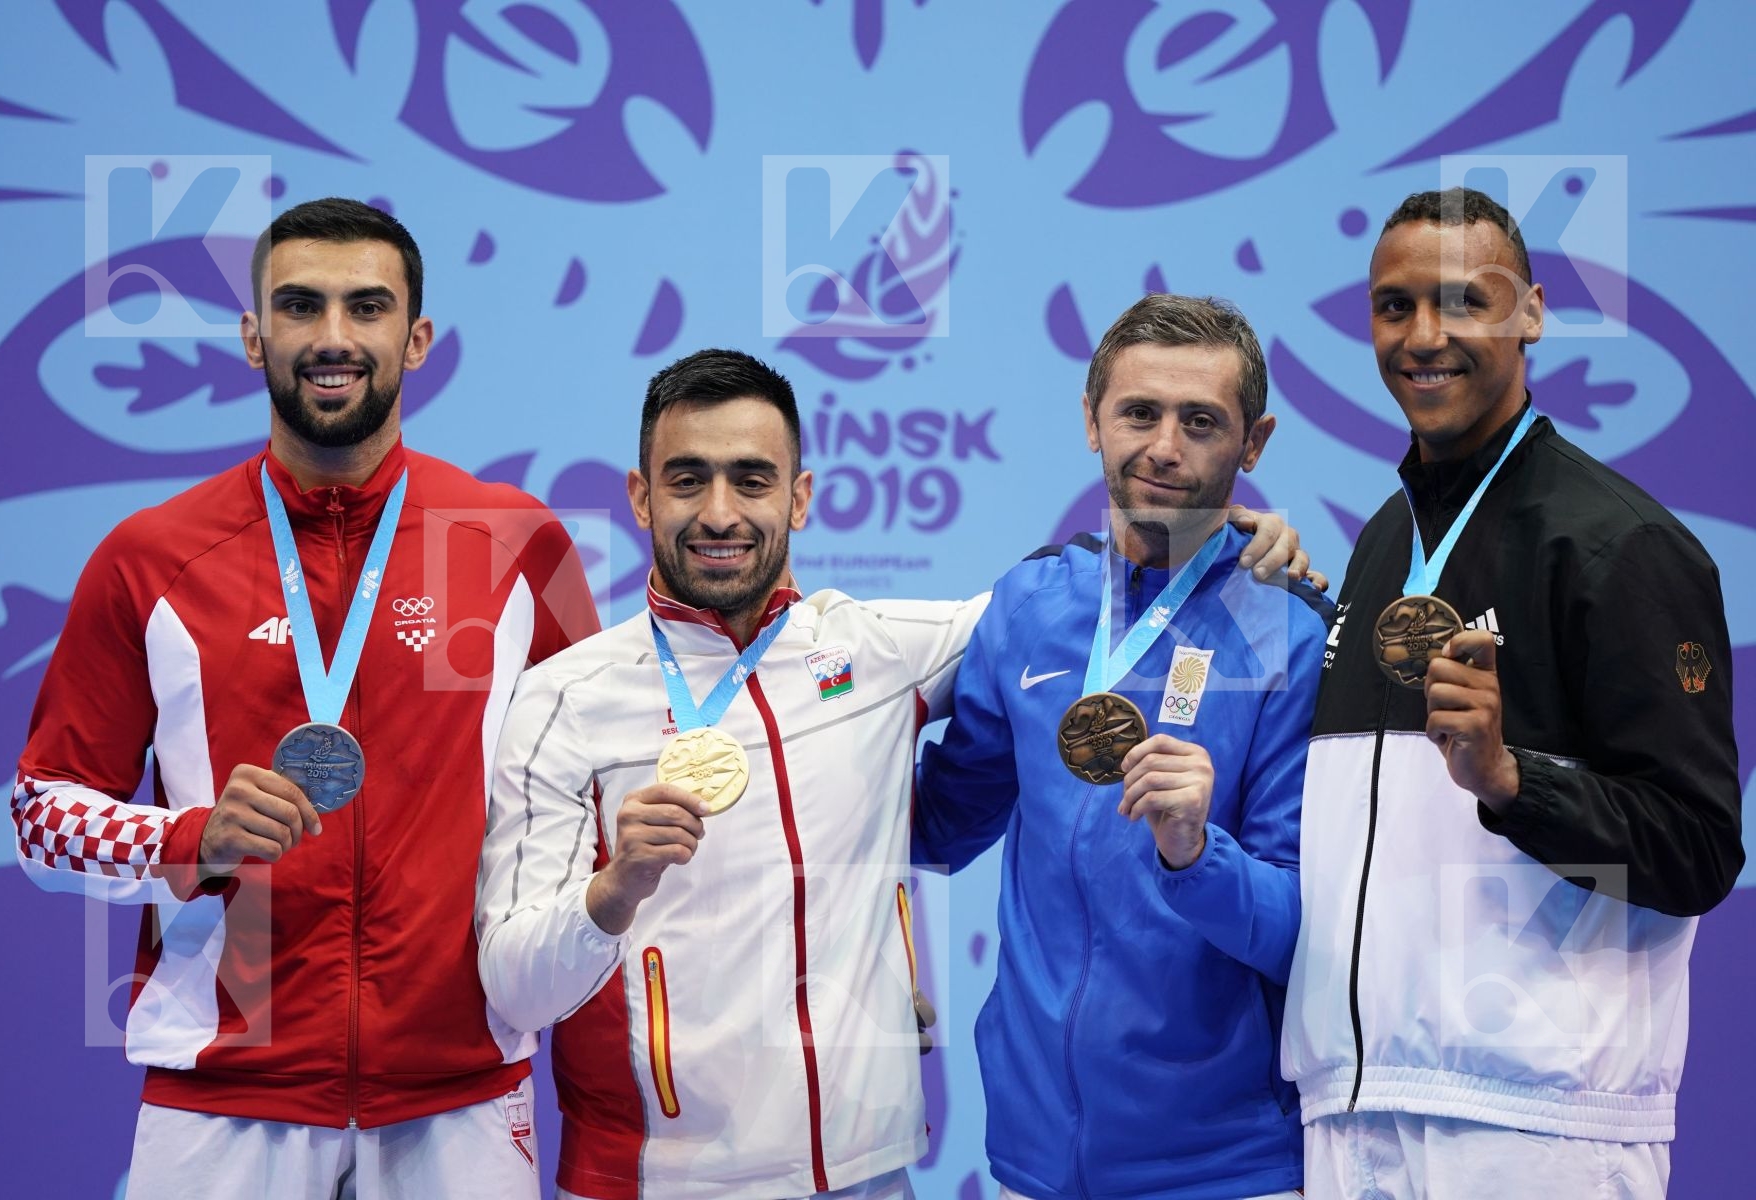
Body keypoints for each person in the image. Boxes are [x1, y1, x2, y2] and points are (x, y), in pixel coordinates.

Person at [475, 345, 1322, 1198]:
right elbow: (512, 987)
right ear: (639, 495)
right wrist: (612, 893)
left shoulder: (875, 652)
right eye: (688, 479)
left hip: (868, 1172)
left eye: (754, 479)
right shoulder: (563, 701)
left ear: (799, 499)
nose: (721, 513)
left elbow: (1083, 605)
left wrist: (1223, 533)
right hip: (653, 1179)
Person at [10, 197, 598, 1198]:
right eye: (300, 306)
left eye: (367, 307)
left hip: (461, 1087)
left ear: (416, 339)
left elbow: (596, 797)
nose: (333, 338)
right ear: (253, 338)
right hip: (224, 1085)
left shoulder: (516, 546)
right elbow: (40, 817)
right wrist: (188, 837)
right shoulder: (151, 558)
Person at [1281, 187, 1743, 1199]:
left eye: (1464, 300)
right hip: (1360, 1111)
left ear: (1531, 311)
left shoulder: (1618, 546)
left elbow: (1699, 854)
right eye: (1395, 306)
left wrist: (1510, 781)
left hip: (1538, 1124)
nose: (1425, 335)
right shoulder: (1383, 544)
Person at [913, 294, 1333, 1200]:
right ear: (1092, 419)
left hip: (1225, 1171)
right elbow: (938, 828)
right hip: (1034, 1160)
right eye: (1140, 412)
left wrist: (1195, 853)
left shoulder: (1288, 639)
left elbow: (1312, 930)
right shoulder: (1028, 609)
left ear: (1253, 444)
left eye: (1202, 422)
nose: (1166, 448)